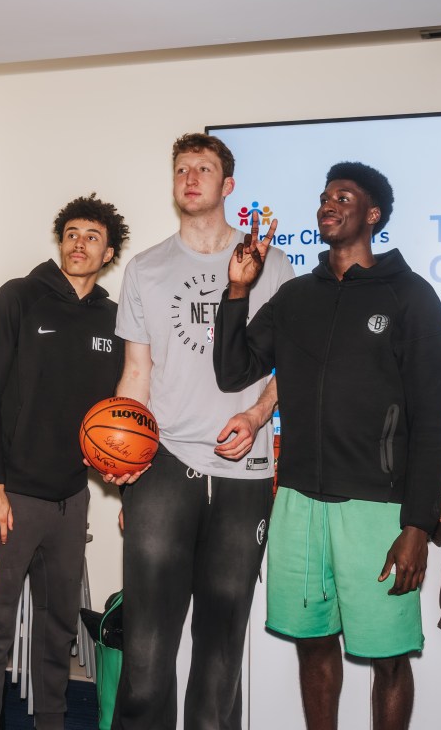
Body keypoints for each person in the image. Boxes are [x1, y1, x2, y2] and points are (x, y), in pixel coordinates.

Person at [214, 162, 441, 730]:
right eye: (324, 196)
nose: (328, 203)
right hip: (298, 500)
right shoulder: (297, 296)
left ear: (373, 215)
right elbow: (234, 369)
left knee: (389, 658)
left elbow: (433, 421)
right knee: (313, 644)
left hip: (378, 509)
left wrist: (418, 526)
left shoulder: (411, 296)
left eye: (343, 196)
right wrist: (237, 291)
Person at [108, 132, 294, 729]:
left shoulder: (273, 264)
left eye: (204, 168)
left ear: (228, 185)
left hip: (243, 476)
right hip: (162, 466)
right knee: (146, 648)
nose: (191, 177)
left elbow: (292, 367)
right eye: (182, 168)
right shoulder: (146, 268)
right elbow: (136, 374)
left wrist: (259, 415)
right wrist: (124, 466)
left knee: (221, 649)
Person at [0, 194, 130, 729]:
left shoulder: (113, 318)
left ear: (109, 253)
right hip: (12, 497)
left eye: (92, 237)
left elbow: (119, 418)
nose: (79, 243)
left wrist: (126, 488)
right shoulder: (19, 298)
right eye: (72, 233)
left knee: (58, 629)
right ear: (60, 240)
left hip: (72, 498)